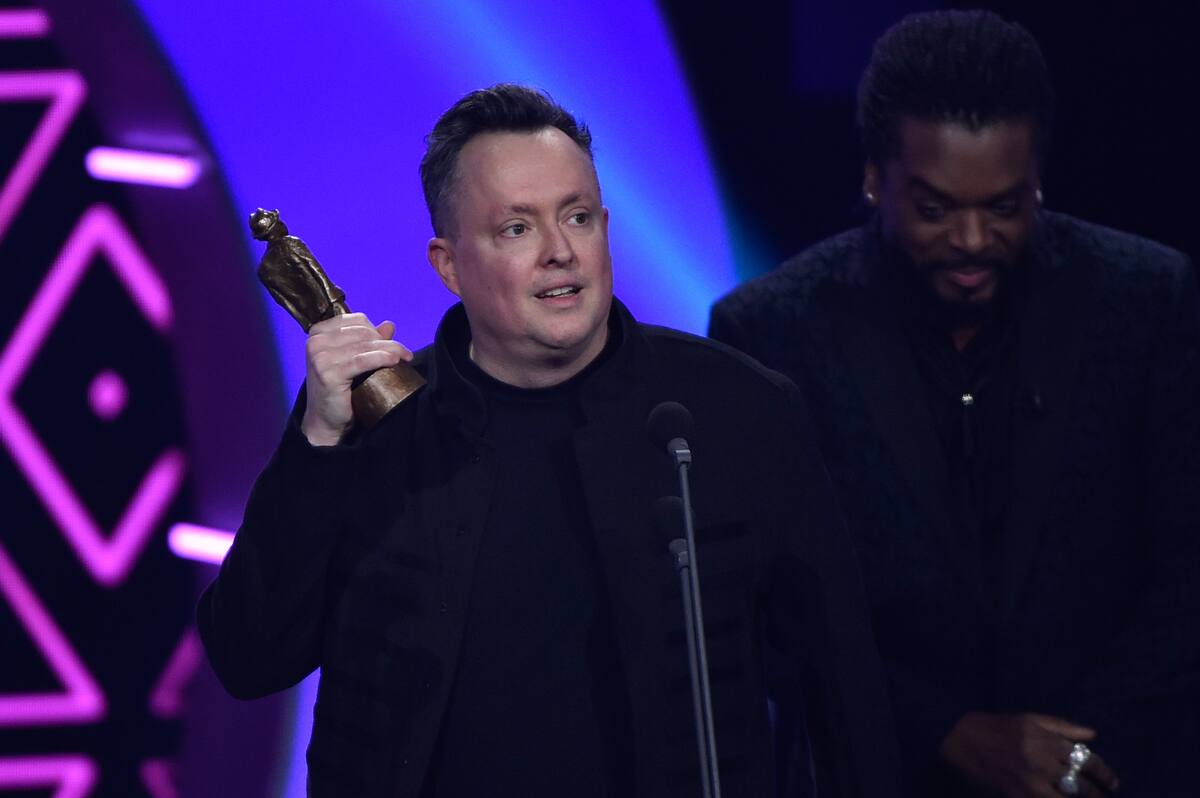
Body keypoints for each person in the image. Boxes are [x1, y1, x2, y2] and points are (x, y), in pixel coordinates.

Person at [198, 84, 900, 797]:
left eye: (578, 217)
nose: (560, 252)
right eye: (517, 229)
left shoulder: (736, 410)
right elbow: (249, 659)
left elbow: (844, 687)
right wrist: (318, 440)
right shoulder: (375, 430)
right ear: (448, 265)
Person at [710, 10, 1200, 798]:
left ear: (1038, 179)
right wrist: (948, 734)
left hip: (1114, 770)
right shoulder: (772, 331)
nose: (972, 240)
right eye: (935, 209)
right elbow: (765, 608)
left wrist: (1074, 756)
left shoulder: (1146, 301)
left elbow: (1186, 568)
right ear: (876, 180)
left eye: (1004, 207)